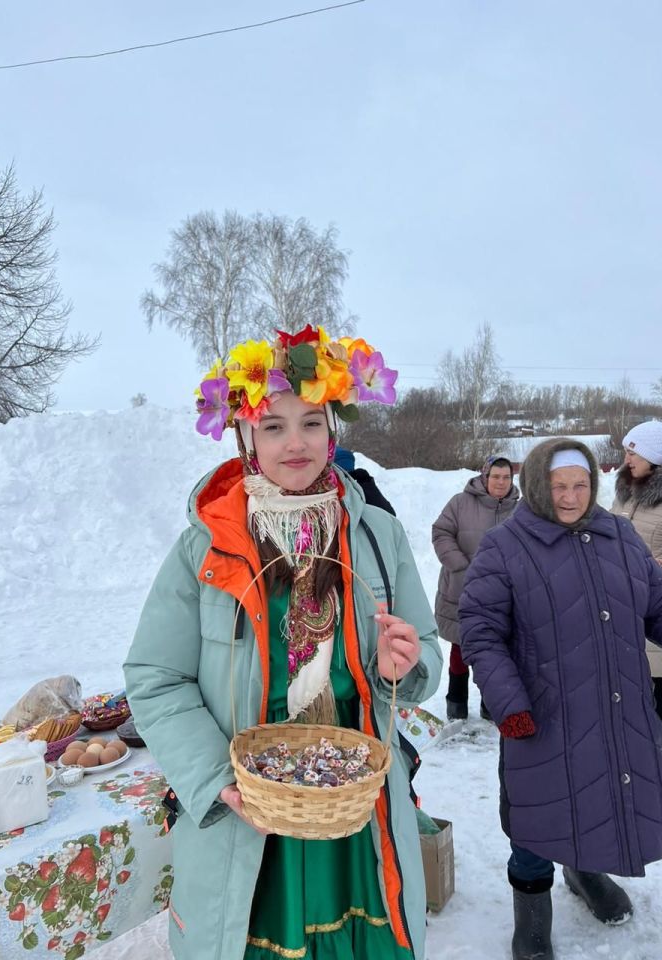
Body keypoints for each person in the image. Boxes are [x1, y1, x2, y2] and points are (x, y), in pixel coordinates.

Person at [123, 325, 442, 960]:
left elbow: (428, 653)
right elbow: (155, 676)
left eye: (312, 422)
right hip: (251, 818)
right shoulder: (205, 546)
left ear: (333, 431)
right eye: (273, 426)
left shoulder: (376, 535)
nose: (295, 443)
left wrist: (399, 666)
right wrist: (217, 778)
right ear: (245, 438)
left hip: (356, 814)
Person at [459, 438, 662, 960]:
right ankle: (530, 917)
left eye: (580, 485)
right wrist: (509, 704)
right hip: (541, 716)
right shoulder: (506, 545)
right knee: (538, 815)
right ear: (536, 484)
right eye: (558, 486)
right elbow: (481, 630)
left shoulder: (620, 536)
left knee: (604, 798)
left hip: (616, 708)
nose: (570, 496)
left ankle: (584, 870)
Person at [432, 454, 518, 720]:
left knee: (494, 652)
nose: (501, 482)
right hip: (461, 589)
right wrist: (459, 564)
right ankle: (456, 704)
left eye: (506, 477)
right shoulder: (460, 503)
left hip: (502, 595)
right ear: (485, 476)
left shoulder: (520, 509)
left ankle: (491, 705)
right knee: (460, 646)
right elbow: (441, 532)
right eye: (496, 477)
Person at [611, 419, 662, 737]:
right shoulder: (623, 494)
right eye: (626, 451)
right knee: (621, 673)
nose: (627, 459)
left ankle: (657, 734)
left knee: (656, 676)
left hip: (658, 605)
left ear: (653, 457)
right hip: (616, 600)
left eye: (632, 453)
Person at [334, 445, 396, 515]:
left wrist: (367, 484)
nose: (346, 479)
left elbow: (390, 516)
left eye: (349, 474)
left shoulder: (359, 490)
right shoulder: (357, 490)